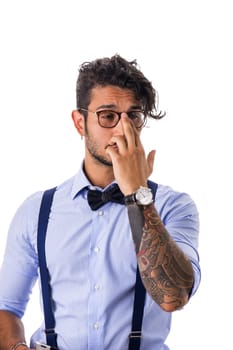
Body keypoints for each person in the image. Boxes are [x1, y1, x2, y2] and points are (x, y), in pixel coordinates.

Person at [0, 54, 201, 350]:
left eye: (133, 116)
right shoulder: (36, 212)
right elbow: (6, 308)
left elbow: (173, 296)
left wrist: (137, 194)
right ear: (80, 122)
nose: (123, 130)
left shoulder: (174, 206)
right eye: (108, 115)